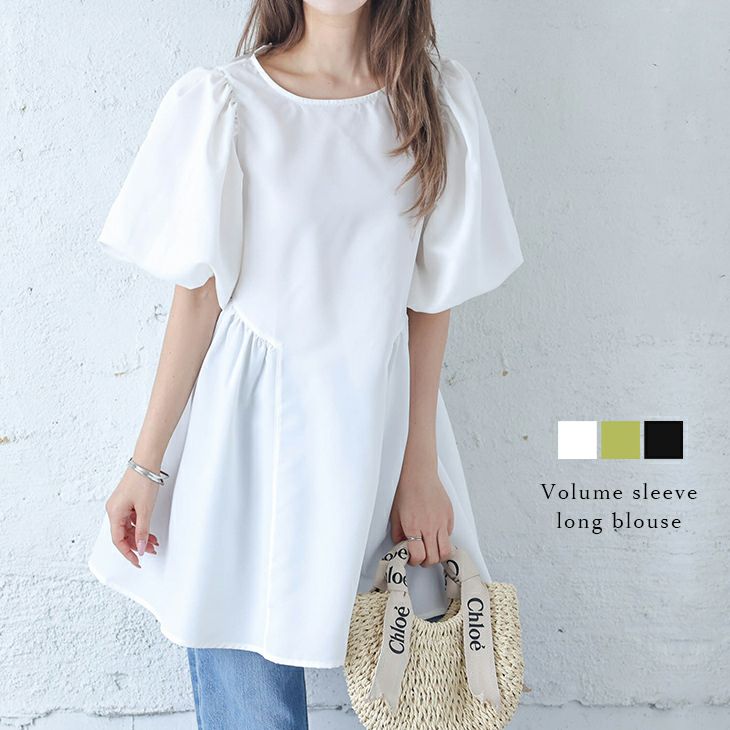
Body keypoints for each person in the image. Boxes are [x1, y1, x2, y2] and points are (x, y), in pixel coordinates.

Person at [86, 0, 523, 727]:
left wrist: (420, 467)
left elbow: (430, 300)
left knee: (420, 681)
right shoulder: (227, 103)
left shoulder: (433, 100)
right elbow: (198, 301)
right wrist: (146, 465)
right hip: (242, 440)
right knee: (251, 706)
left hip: (379, 431)